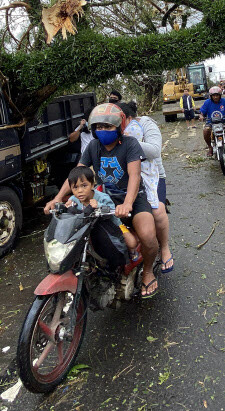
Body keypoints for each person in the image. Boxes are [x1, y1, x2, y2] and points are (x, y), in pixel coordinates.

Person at [44, 103, 160, 298]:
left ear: (119, 127)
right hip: (104, 198)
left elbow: (134, 176)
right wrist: (57, 199)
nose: (103, 130)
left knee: (148, 235)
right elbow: (76, 174)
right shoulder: (93, 146)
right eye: (99, 127)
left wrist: (128, 203)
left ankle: (148, 272)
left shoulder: (130, 144)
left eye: (108, 126)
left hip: (133, 199)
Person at [121, 102, 174, 273]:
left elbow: (154, 151)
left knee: (157, 210)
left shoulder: (145, 124)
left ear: (128, 118)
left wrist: (125, 143)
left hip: (152, 176)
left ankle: (164, 248)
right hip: (127, 177)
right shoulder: (110, 131)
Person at [64, 165, 139, 259]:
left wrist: (99, 205)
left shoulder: (102, 197)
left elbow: (111, 209)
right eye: (75, 187)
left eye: (84, 186)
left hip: (111, 225)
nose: (80, 191)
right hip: (87, 228)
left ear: (92, 185)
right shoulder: (73, 199)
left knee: (132, 243)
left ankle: (132, 252)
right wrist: (67, 207)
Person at [199, 86, 225, 157]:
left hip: (224, 121)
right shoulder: (207, 102)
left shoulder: (224, 101)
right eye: (214, 95)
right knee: (205, 131)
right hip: (210, 122)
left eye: (217, 95)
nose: (215, 97)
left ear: (220, 95)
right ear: (211, 96)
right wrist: (201, 116)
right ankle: (210, 147)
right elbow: (202, 111)